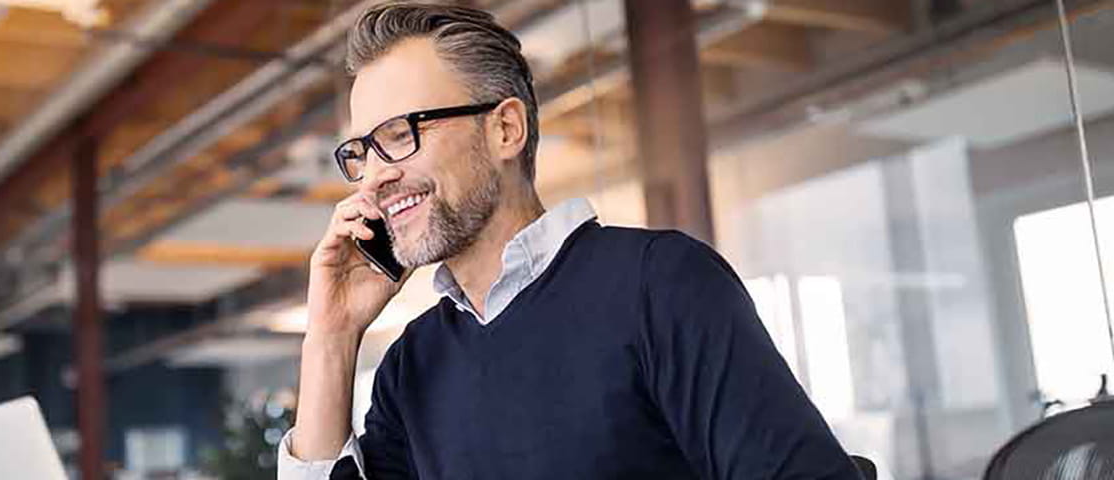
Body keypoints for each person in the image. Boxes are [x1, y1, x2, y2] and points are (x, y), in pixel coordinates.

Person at [279, 2, 862, 479]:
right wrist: (330, 339)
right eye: (362, 151)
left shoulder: (658, 285)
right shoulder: (412, 367)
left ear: (506, 129)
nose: (376, 174)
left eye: (401, 135)